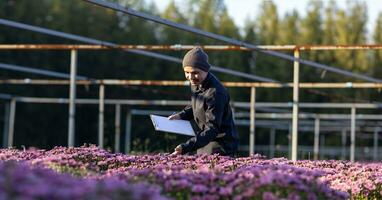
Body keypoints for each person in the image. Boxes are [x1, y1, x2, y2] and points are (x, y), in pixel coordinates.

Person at [168, 46, 238, 157]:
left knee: (213, 173)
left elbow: (212, 129)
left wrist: (186, 146)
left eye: (195, 72)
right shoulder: (197, 83)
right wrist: (180, 116)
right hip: (204, 140)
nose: (190, 77)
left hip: (220, 146)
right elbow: (196, 104)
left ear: (205, 70)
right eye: (187, 72)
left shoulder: (215, 93)